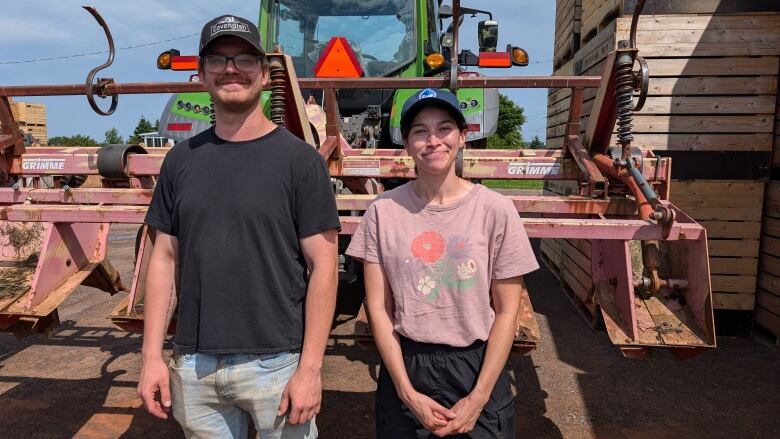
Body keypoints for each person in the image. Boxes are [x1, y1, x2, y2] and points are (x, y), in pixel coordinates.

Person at [137, 14, 340, 439]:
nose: (231, 68)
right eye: (218, 59)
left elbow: (323, 267)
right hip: (195, 365)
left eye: (245, 58)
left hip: (277, 363)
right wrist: (151, 355)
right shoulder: (180, 161)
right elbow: (163, 259)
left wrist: (311, 368)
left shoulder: (300, 162)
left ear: (266, 75)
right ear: (201, 74)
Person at [346, 88, 538, 438]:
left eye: (444, 128)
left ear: (463, 137)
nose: (433, 140)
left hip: (477, 365)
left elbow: (508, 311)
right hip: (407, 364)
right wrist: (407, 393)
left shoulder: (495, 210)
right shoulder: (383, 213)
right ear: (406, 143)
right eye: (420, 131)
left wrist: (478, 398)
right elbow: (377, 307)